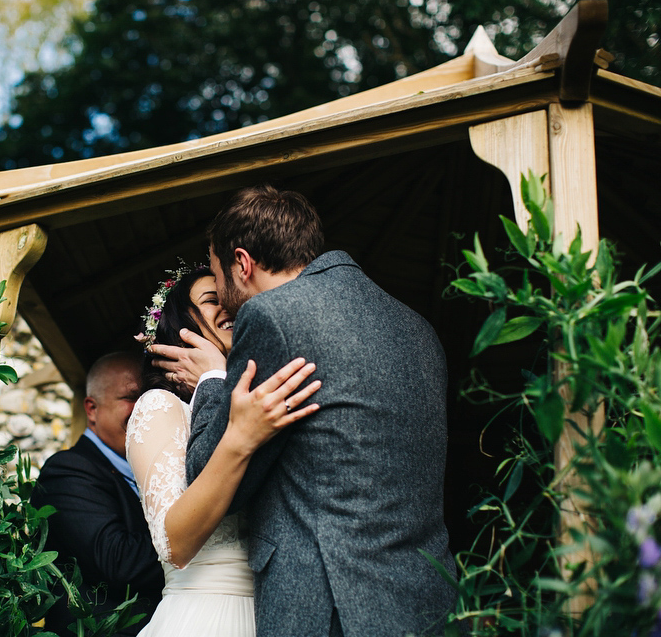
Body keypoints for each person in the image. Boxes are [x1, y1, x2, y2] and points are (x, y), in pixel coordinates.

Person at [150, 185, 458, 636]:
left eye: (217, 277)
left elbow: (208, 475)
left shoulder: (272, 316)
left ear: (242, 263)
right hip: (428, 599)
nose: (220, 291)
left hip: (330, 604)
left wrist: (214, 380)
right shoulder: (418, 328)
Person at [126, 266, 321, 637]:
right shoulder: (161, 407)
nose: (229, 305)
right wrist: (238, 437)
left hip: (279, 615)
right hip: (205, 617)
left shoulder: (261, 404)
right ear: (180, 323)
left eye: (231, 296)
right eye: (212, 299)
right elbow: (175, 543)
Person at [31, 352, 164, 637]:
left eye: (152, 397)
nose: (146, 409)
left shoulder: (153, 470)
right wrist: (199, 529)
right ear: (91, 409)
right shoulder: (67, 471)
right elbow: (118, 562)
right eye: (132, 397)